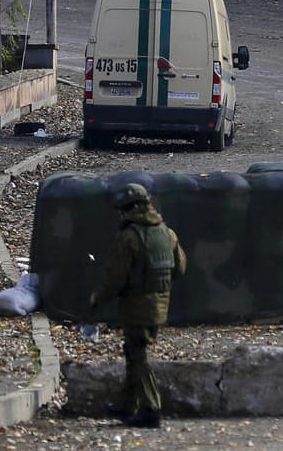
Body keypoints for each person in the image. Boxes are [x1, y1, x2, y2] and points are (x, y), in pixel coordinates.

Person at [89, 183, 187, 428]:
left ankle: (151, 409)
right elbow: (180, 267)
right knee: (133, 352)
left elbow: (115, 277)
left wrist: (98, 298)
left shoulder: (129, 237)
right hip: (160, 303)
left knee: (138, 356)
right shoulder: (168, 232)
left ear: (130, 209)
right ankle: (127, 405)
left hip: (136, 306)